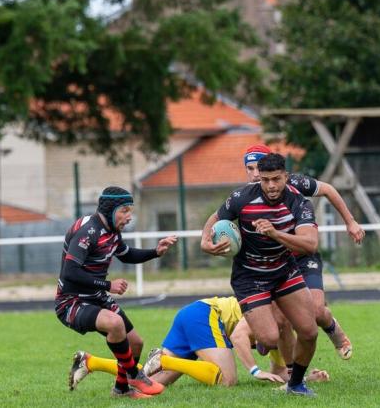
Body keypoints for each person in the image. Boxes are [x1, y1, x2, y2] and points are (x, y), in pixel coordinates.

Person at [200, 153, 319, 397]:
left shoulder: (299, 203)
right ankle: (261, 326)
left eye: (276, 179)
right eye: (265, 180)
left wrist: (275, 234)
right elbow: (215, 217)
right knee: (270, 337)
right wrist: (204, 241)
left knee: (309, 332)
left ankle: (295, 384)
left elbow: (310, 244)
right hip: (250, 277)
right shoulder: (242, 197)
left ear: (286, 176)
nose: (271, 185)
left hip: (284, 271)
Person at [243, 144, 364, 360]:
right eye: (249, 169)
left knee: (316, 311)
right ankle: (290, 374)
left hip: (302, 257)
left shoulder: (293, 184)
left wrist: (350, 221)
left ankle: (333, 329)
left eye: (256, 168)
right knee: (280, 322)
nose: (253, 175)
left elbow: (327, 189)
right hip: (274, 266)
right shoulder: (245, 196)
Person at [56, 186, 178, 398]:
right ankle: (135, 374)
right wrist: (108, 285)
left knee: (136, 342)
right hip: (72, 301)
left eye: (130, 211)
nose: (129, 217)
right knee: (115, 323)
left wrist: (155, 252)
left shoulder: (112, 232)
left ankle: (121, 390)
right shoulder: (88, 231)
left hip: (96, 296)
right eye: (125, 210)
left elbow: (127, 254)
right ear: (110, 210)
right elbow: (70, 273)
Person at [68, 296, 330, 389]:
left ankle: (90, 362)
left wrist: (303, 379)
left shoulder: (285, 335)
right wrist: (254, 370)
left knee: (151, 386)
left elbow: (279, 374)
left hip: (191, 314)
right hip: (204, 316)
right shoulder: (271, 314)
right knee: (227, 380)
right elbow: (239, 336)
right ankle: (163, 359)